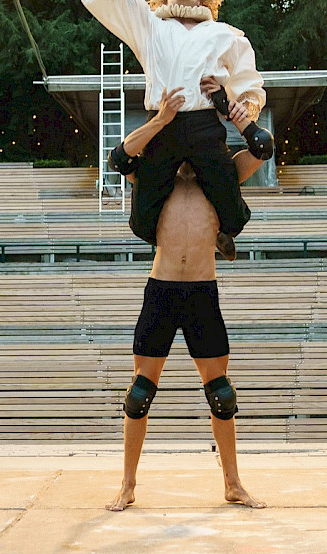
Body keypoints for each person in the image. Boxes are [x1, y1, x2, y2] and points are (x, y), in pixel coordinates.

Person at [104, 77, 267, 511]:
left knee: (222, 393)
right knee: (139, 394)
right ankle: (127, 485)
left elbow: (263, 148)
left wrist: (228, 110)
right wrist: (164, 119)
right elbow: (118, 157)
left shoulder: (222, 176)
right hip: (161, 293)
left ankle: (232, 482)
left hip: (202, 292)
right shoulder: (155, 180)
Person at [81, 0, 266, 260]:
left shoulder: (223, 33)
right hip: (162, 123)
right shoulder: (150, 26)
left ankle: (222, 231)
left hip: (204, 124)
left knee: (229, 201)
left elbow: (248, 84)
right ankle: (166, 243)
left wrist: (234, 104)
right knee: (145, 211)